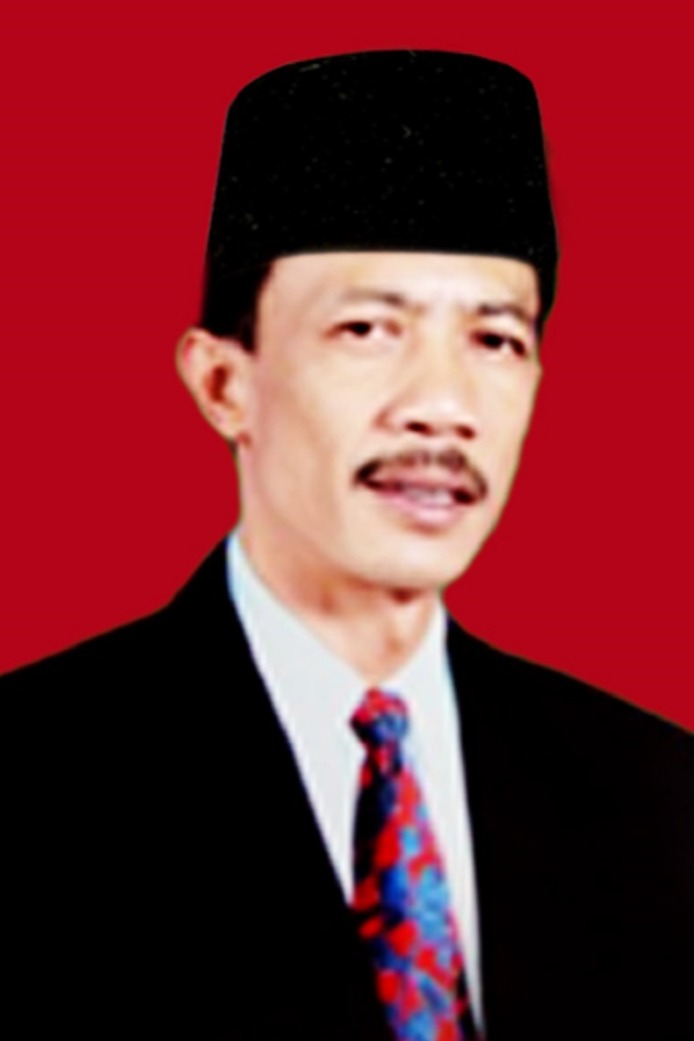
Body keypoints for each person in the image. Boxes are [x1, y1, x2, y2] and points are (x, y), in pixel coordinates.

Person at [3, 51, 692, 1041]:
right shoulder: (31, 780)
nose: (443, 406)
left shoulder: (654, 794)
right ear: (223, 383)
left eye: (496, 340)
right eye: (368, 329)